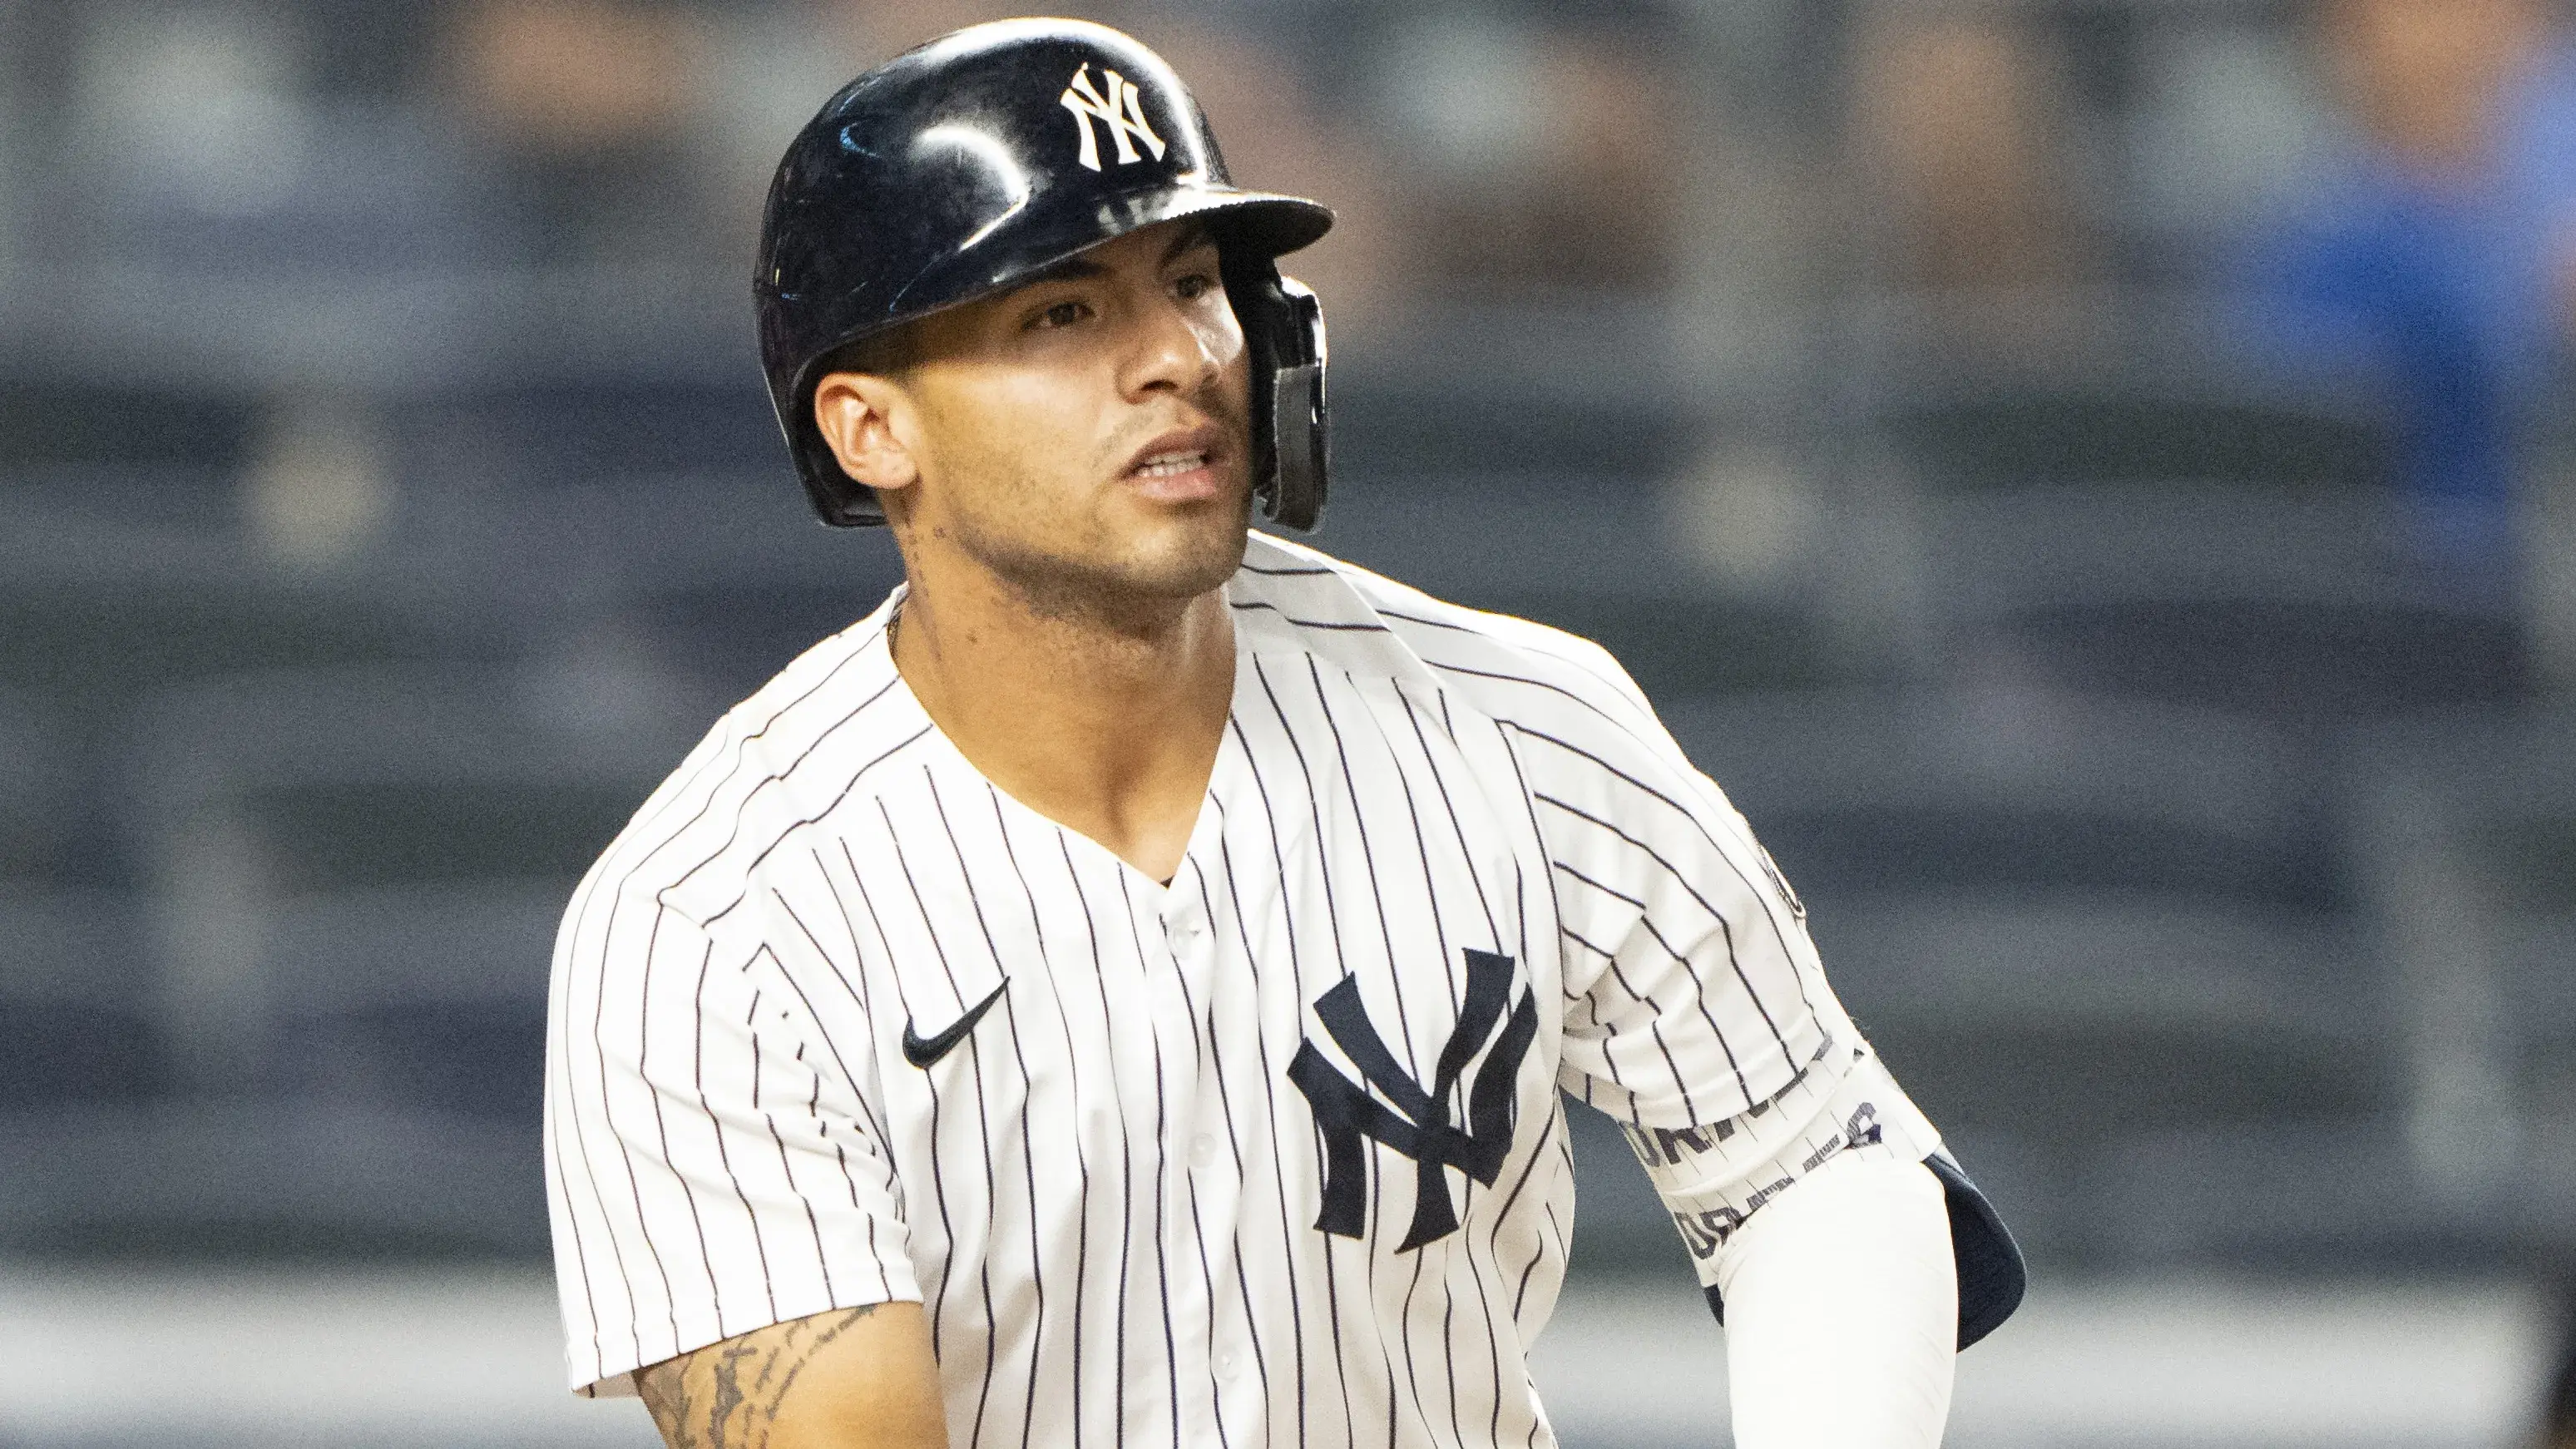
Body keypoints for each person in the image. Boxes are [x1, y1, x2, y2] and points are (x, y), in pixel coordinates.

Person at [541, 19, 2023, 1449]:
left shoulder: (1523, 726)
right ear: (873, 428)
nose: (1174, 355)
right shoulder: (716, 925)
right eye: (1062, 309)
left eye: (1190, 281)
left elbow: (1818, 1173)